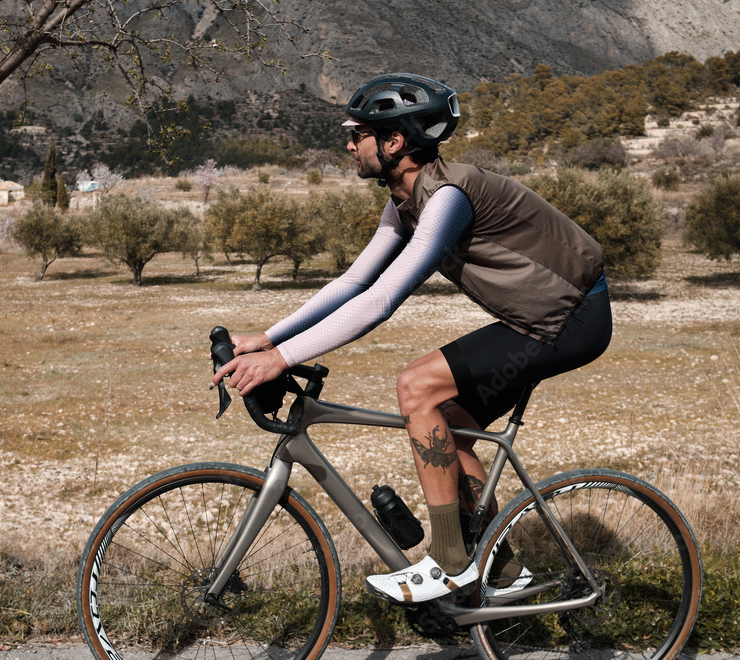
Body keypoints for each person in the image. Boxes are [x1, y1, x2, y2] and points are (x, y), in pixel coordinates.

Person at [211, 73, 612, 604]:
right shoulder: (404, 201)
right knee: (448, 421)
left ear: (394, 141)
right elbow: (354, 282)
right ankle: (504, 569)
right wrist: (267, 338)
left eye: (358, 134)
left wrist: (281, 359)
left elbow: (382, 300)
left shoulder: (447, 197)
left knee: (416, 387)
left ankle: (450, 563)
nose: (349, 145)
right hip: (534, 319)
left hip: (570, 319)